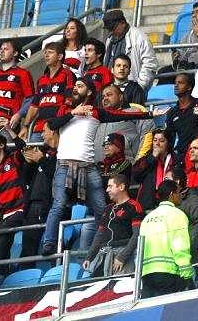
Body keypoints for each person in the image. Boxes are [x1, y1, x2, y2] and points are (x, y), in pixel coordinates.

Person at [41, 75, 159, 255]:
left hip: (89, 166)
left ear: (88, 91)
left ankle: (102, 240)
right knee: (58, 204)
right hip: (64, 165)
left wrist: (149, 114)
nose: (75, 88)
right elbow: (51, 124)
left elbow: (121, 114)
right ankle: (49, 242)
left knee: (101, 207)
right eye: (75, 86)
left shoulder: (96, 113)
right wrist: (73, 112)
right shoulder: (64, 110)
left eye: (80, 86)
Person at [139, 179, 195, 298]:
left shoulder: (148, 218)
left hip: (146, 274)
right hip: (168, 273)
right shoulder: (177, 214)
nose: (181, 195)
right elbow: (180, 245)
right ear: (171, 195)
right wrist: (187, 274)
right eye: (179, 192)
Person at [83, 174, 143, 277]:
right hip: (104, 255)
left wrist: (122, 257)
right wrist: (89, 256)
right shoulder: (107, 208)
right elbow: (99, 234)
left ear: (121, 187)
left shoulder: (134, 206)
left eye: (110, 186)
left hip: (121, 255)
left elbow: (137, 234)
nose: (107, 190)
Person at [0, 131, 26, 265]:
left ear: (1, 145)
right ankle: (2, 274)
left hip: (19, 210)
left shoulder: (13, 159)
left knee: (2, 240)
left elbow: (22, 147)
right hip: (3, 215)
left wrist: (9, 130)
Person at [21, 40, 75, 141]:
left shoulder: (67, 74)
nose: (46, 55)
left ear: (60, 56)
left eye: (50, 52)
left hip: (57, 126)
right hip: (39, 126)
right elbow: (34, 106)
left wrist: (58, 122)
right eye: (45, 53)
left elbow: (69, 101)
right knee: (30, 154)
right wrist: (26, 126)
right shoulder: (41, 79)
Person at [0, 39, 35, 137]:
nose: (1, 51)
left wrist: (18, 115)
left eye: (6, 49)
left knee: (7, 151)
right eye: (1, 49)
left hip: (8, 123)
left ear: (15, 53)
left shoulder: (23, 74)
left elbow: (31, 99)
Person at [20, 127, 58, 258]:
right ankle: (25, 276)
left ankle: (57, 275)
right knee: (27, 251)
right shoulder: (41, 152)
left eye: (44, 131)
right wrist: (29, 163)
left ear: (53, 131)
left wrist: (41, 160)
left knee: (52, 248)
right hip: (32, 204)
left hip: (52, 206)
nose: (41, 135)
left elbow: (54, 174)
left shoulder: (62, 153)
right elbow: (25, 179)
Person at [102, 9, 158, 93]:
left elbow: (150, 64)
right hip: (111, 91)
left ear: (123, 23)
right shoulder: (110, 40)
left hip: (132, 91)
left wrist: (139, 88)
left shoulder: (139, 37)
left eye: (113, 28)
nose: (111, 32)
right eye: (109, 29)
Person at [169, 168, 198, 256]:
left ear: (177, 182)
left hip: (186, 253)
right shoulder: (166, 203)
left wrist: (189, 242)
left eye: (166, 179)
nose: (162, 182)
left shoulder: (192, 200)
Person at [132, 129, 175, 211]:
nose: (157, 144)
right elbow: (136, 175)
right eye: (155, 140)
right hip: (149, 205)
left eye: (162, 141)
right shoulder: (146, 159)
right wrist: (152, 158)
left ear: (168, 143)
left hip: (170, 203)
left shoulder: (175, 159)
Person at [167, 1, 198, 74]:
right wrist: (176, 58)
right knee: (163, 72)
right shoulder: (187, 36)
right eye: (193, 13)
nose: (194, 15)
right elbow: (182, 57)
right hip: (187, 68)